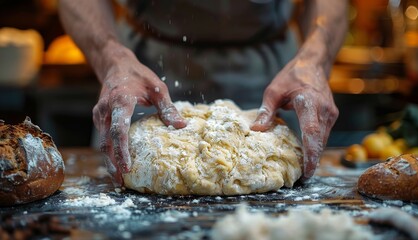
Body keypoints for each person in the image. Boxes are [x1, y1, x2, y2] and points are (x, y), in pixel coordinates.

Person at [58, 0, 348, 186]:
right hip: (143, 70)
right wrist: (111, 59)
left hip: (272, 72)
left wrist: (315, 59)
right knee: (129, 169)